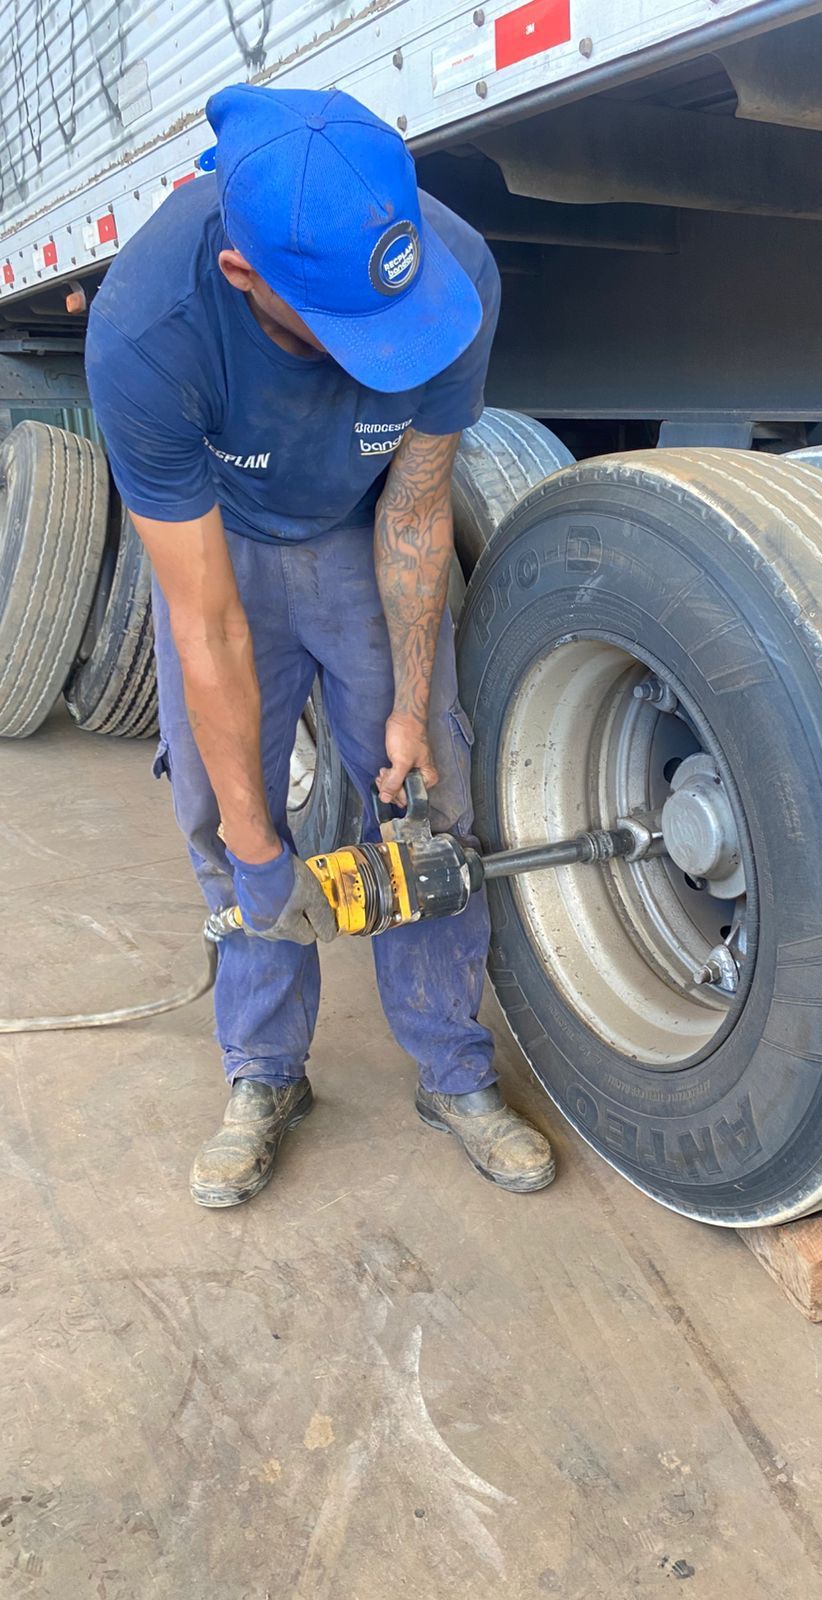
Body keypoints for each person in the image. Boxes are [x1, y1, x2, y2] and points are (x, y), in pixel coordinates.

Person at [84, 83, 555, 1207]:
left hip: (362, 532)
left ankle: (450, 1068)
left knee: (426, 786)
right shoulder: (150, 330)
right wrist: (261, 855)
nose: (382, 358)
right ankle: (264, 1071)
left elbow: (417, 503)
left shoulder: (448, 277)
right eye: (345, 331)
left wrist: (405, 701)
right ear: (246, 275)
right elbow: (203, 623)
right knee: (224, 806)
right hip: (227, 546)